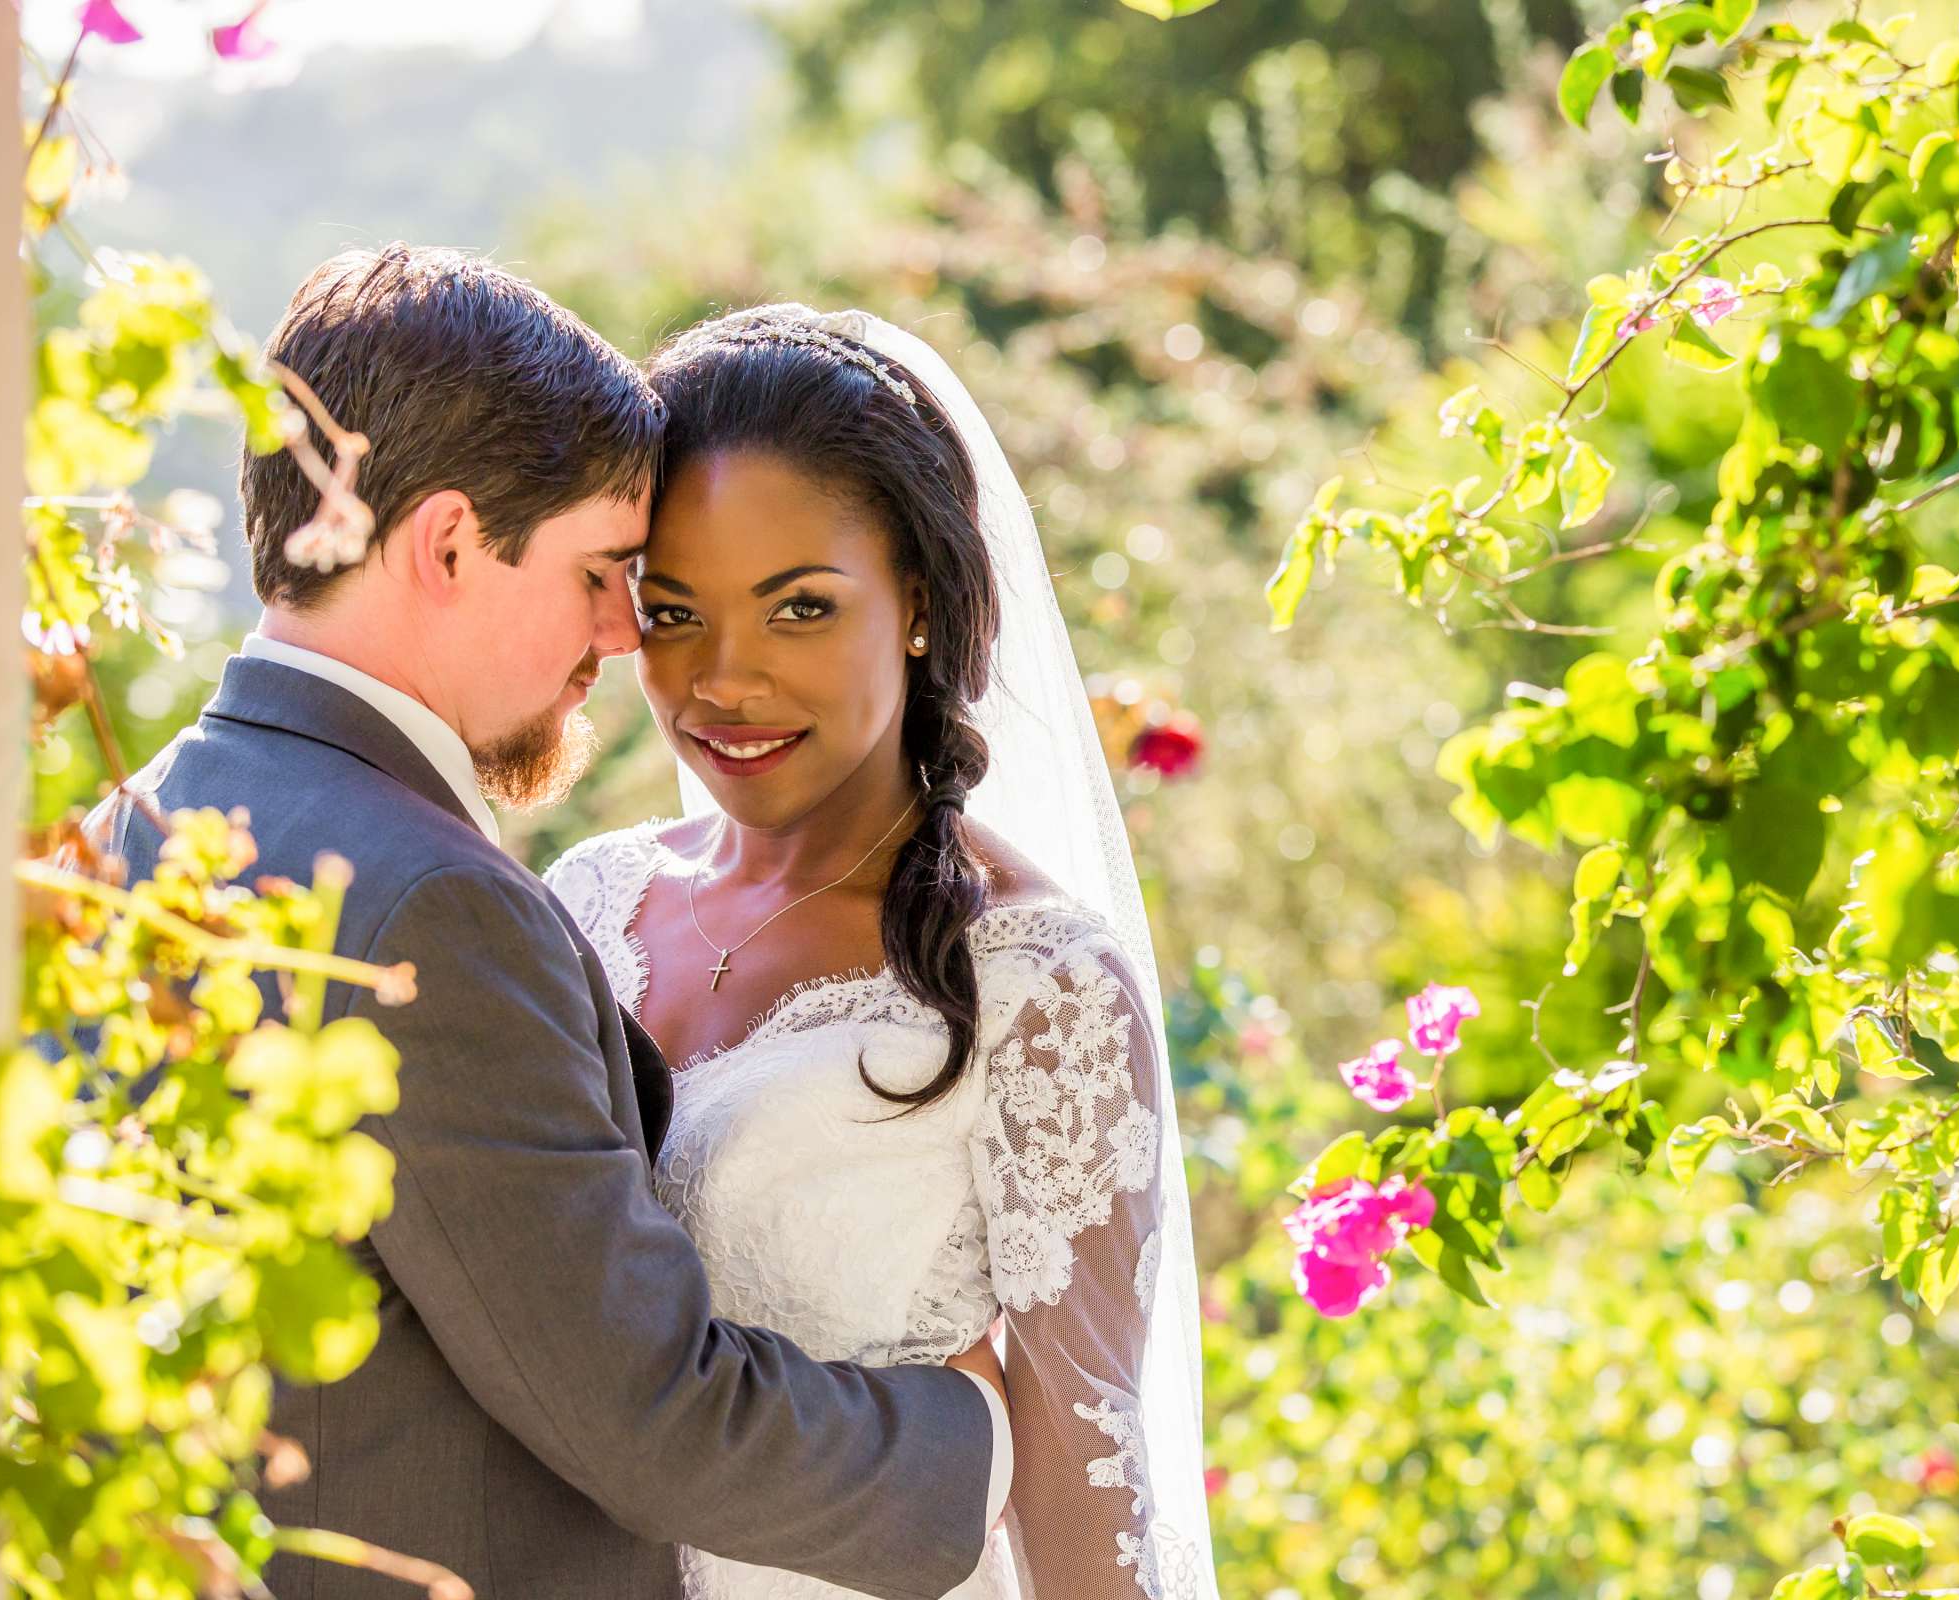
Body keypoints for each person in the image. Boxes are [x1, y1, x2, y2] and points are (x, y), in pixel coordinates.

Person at [83, 246, 1009, 1600]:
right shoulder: (426, 903)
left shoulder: (134, 824)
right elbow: (646, 1416)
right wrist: (974, 1437)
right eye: (600, 571)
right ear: (450, 542)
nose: (624, 638)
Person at [542, 303, 1219, 1599]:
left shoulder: (1036, 987)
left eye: (798, 607)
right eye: (674, 612)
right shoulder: (590, 900)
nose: (723, 680)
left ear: (917, 599)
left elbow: (1083, 1467)